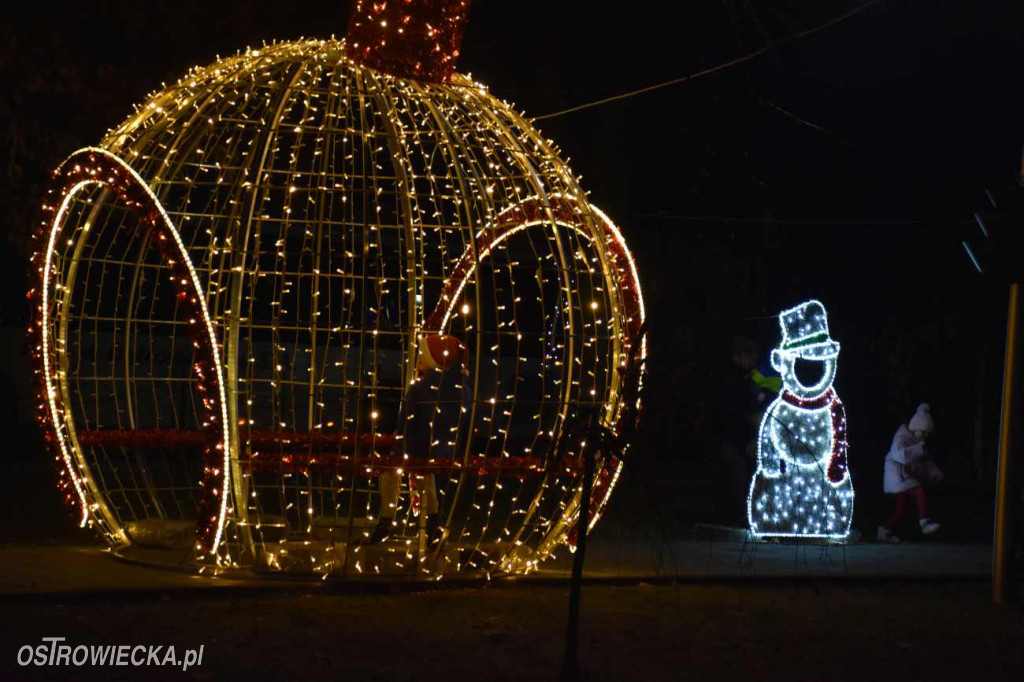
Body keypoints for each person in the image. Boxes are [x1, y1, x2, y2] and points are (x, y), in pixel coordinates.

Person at [359, 333, 471, 547]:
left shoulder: (419, 389)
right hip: (447, 452)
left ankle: (387, 520)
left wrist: (399, 449)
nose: (419, 360)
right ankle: (433, 523)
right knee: (424, 475)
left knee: (390, 470)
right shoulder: (464, 391)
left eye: (422, 357)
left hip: (416, 449)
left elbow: (406, 425)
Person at [716, 335, 781, 525]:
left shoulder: (757, 376)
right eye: (747, 355)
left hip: (750, 438)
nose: (751, 359)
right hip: (735, 439)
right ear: (737, 356)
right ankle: (741, 516)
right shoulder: (736, 380)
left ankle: (752, 515)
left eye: (754, 355)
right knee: (739, 476)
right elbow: (737, 414)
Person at [877, 404, 944, 543]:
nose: (925, 436)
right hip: (897, 476)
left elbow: (925, 462)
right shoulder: (901, 438)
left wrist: (936, 474)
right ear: (915, 427)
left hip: (904, 477)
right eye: (923, 432)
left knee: (901, 509)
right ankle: (924, 523)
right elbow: (901, 456)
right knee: (919, 492)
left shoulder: (917, 443)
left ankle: (884, 532)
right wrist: (919, 448)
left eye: (927, 433)